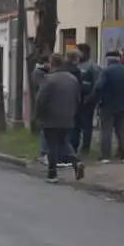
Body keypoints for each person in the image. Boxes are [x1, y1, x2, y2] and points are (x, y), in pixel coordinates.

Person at [36, 53, 84, 183]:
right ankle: (76, 162)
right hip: (67, 116)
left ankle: (52, 174)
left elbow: (41, 99)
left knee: (52, 145)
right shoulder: (72, 79)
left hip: (50, 117)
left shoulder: (48, 80)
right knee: (63, 142)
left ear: (52, 64)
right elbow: (78, 98)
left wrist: (38, 116)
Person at [94, 51, 124, 163]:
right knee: (121, 131)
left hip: (107, 105)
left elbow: (98, 87)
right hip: (122, 105)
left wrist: (96, 99)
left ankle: (105, 156)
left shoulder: (106, 72)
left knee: (106, 131)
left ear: (108, 60)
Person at [71, 43, 101, 157]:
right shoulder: (76, 65)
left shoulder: (92, 67)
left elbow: (97, 85)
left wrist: (91, 99)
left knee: (86, 126)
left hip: (86, 102)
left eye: (78, 52)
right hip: (75, 101)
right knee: (75, 126)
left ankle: (85, 148)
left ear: (84, 53)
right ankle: (73, 147)